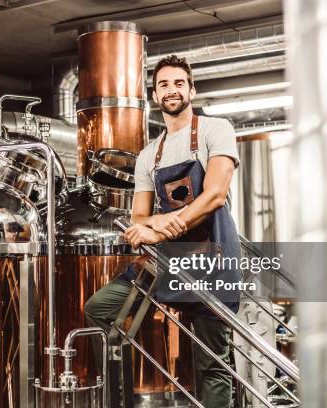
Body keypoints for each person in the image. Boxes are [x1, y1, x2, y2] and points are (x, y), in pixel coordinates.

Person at [84, 55, 241, 407]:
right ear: (156, 95)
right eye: (164, 85)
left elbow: (215, 194)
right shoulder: (149, 155)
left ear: (192, 89)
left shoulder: (217, 129)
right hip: (166, 258)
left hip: (213, 256)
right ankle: (118, 396)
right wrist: (157, 227)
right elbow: (137, 219)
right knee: (99, 308)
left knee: (212, 363)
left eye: (179, 83)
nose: (172, 90)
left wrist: (166, 226)